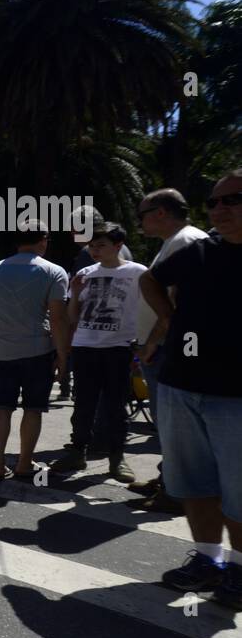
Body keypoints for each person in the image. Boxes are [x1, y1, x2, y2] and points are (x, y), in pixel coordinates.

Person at [141, 169, 242, 609]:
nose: (219, 209)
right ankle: (207, 562)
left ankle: (238, 571)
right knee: (196, 484)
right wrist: (169, 321)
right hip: (182, 386)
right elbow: (149, 280)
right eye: (214, 202)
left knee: (238, 491)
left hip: (235, 395)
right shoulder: (199, 251)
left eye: (231, 200)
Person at [128, 187, 209, 509]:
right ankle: (168, 478)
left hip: (169, 347)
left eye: (143, 215)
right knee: (168, 424)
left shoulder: (185, 242)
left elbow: (176, 303)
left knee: (175, 427)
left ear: (161, 213)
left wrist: (153, 342)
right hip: (166, 346)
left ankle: (176, 492)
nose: (140, 222)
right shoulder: (175, 242)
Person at [49, 225, 145, 482]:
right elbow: (71, 317)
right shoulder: (84, 273)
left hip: (118, 348)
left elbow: (151, 309)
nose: (94, 251)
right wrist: (77, 293)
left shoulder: (137, 273)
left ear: (118, 245)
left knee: (115, 406)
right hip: (85, 347)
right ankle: (77, 451)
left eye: (101, 245)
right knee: (83, 406)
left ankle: (117, 458)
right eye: (91, 246)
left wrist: (144, 344)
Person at [0, 220, 70, 480]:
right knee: (33, 409)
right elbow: (58, 319)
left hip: (2, 350)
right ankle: (24, 463)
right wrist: (63, 356)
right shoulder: (54, 272)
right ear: (43, 240)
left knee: (2, 408)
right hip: (38, 351)